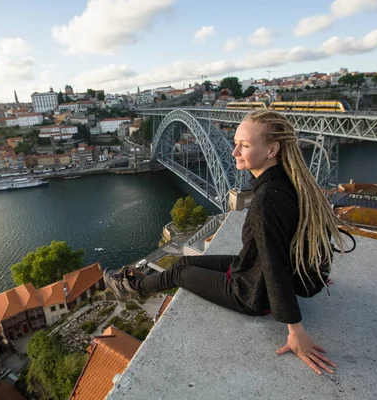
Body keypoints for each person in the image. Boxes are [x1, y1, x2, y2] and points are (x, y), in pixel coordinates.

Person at [104, 110, 345, 375]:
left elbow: (274, 265)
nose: (234, 152)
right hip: (251, 270)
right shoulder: (287, 181)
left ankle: (131, 287)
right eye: (236, 143)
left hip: (252, 294)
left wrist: (295, 331)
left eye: (245, 145)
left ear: (272, 150)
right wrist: (310, 275)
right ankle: (138, 284)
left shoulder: (267, 199)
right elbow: (301, 235)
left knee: (179, 272)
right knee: (184, 261)